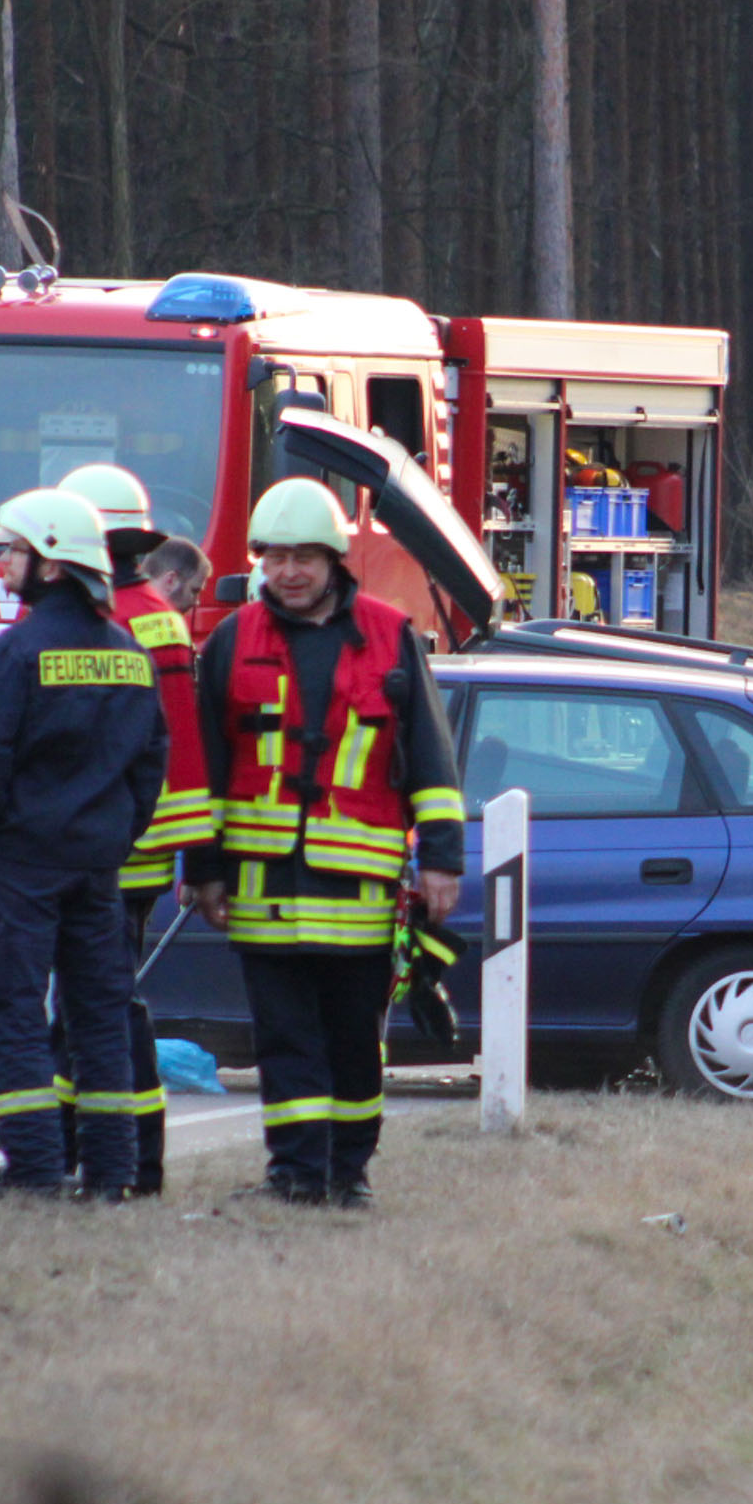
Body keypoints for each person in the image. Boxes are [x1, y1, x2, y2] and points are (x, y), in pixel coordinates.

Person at [177, 478, 464, 1209]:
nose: (287, 573)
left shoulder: (390, 636)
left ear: (335, 558)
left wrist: (441, 860)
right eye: (273, 557)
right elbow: (203, 765)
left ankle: (348, 1174)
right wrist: (202, 867)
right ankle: (297, 1175)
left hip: (358, 889)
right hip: (262, 883)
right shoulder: (232, 641)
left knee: (354, 1043)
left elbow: (431, 759)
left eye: (303, 557)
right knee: (283, 1040)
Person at [0, 488, 166, 1204]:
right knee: (99, 1019)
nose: (2, 561)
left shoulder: (15, 652)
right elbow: (150, 764)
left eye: (13, 549)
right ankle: (112, 1172)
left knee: (14, 1013)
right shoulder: (128, 649)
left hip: (18, 864)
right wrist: (114, 835)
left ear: (49, 564)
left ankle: (36, 1171)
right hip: (98, 865)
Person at [59, 465, 215, 1194]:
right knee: (91, 1002)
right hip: (126, 851)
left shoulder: (114, 619)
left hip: (102, 853)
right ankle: (85, 1154)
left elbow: (172, 749)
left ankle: (123, 1160)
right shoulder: (153, 613)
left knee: (101, 1004)